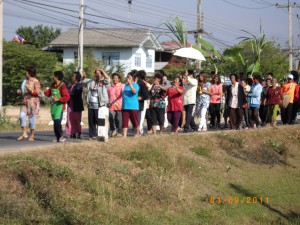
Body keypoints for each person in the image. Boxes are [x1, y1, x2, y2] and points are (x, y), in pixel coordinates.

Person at [82, 68, 110, 140]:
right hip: (91, 103)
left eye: (99, 73)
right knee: (91, 120)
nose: (97, 74)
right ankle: (92, 135)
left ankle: (101, 134)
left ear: (101, 74)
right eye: (96, 73)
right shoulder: (92, 81)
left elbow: (108, 78)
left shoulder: (103, 81)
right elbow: (84, 81)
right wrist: (84, 76)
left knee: (99, 120)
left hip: (100, 104)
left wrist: (102, 70)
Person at [44, 71, 70, 142]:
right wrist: (44, 91)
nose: (53, 77)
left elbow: (67, 97)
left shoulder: (62, 86)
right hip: (53, 106)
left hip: (60, 106)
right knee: (55, 122)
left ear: (57, 77)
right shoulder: (53, 85)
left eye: (54, 76)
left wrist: (59, 99)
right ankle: (57, 137)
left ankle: (60, 136)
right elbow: (48, 93)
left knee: (57, 122)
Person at [17, 66, 41, 141]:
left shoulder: (35, 81)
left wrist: (30, 90)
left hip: (33, 102)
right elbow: (24, 91)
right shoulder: (25, 80)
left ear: (30, 72)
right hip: (25, 101)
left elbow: (38, 92)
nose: (25, 73)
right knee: (22, 116)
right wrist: (20, 92)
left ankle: (32, 135)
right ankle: (24, 133)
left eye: (26, 71)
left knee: (31, 119)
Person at [66, 71, 84, 139]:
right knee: (69, 119)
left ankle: (79, 132)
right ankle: (71, 132)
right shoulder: (71, 86)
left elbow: (76, 92)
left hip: (76, 105)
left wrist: (68, 94)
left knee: (76, 119)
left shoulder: (79, 85)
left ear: (77, 77)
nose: (72, 77)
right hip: (70, 105)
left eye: (73, 76)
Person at [122, 72, 140, 137]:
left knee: (134, 120)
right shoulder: (124, 86)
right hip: (125, 106)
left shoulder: (136, 85)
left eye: (129, 77)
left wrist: (130, 84)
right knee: (125, 120)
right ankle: (124, 134)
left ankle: (137, 133)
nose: (128, 78)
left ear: (133, 78)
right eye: (127, 77)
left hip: (133, 106)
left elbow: (134, 91)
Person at [107, 72, 124, 137]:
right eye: (113, 78)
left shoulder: (122, 86)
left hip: (119, 105)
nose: (115, 79)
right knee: (111, 117)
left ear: (119, 79)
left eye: (116, 78)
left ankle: (119, 131)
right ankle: (113, 130)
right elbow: (108, 96)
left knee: (119, 119)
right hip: (111, 105)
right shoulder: (109, 87)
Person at [136, 70, 149, 135]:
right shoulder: (141, 83)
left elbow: (146, 95)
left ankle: (139, 131)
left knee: (139, 117)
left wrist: (141, 97)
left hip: (140, 103)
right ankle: (139, 131)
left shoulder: (141, 83)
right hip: (139, 103)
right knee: (139, 117)